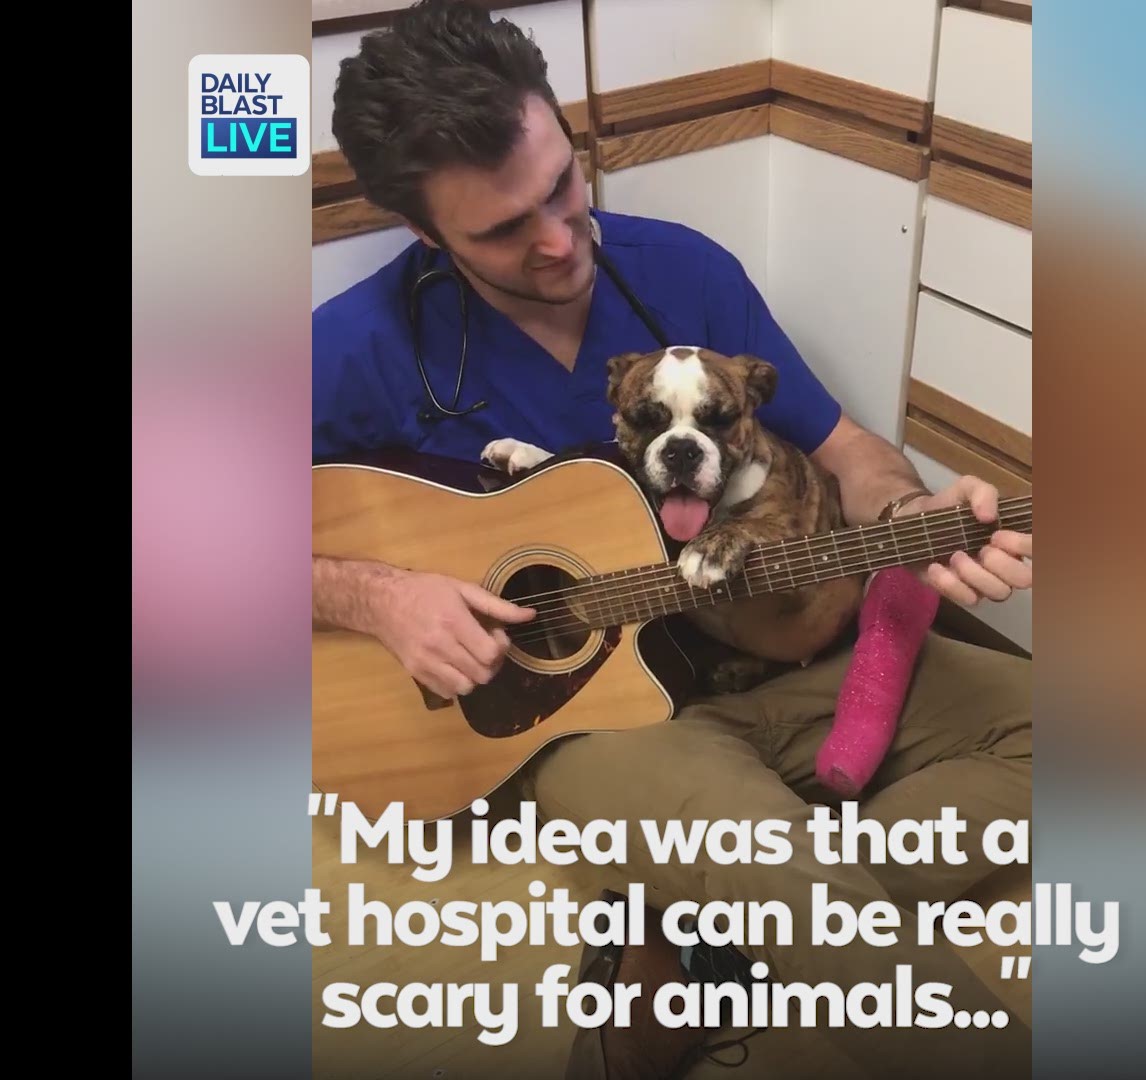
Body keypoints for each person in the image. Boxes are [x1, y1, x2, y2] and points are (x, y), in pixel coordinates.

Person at [312, 3, 1033, 1077]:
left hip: (776, 652)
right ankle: (759, 892)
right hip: (582, 716)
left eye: (562, 184)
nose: (560, 242)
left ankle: (707, 937)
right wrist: (378, 597)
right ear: (427, 234)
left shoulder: (684, 274)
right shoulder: (358, 346)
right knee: (778, 869)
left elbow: (847, 450)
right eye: (505, 230)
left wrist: (899, 514)